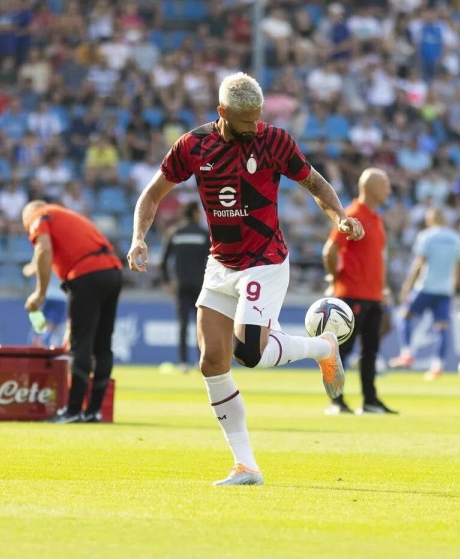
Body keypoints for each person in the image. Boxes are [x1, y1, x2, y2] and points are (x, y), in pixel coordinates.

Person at [126, 72, 364, 486]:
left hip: (264, 259)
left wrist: (340, 217)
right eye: (246, 120)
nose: (254, 126)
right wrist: (139, 238)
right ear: (222, 113)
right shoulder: (192, 145)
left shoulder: (274, 140)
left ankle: (322, 348)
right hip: (221, 264)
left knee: (248, 353)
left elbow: (315, 182)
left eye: (258, 118)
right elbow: (152, 194)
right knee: (211, 360)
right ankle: (245, 465)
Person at [22, 200, 123, 424]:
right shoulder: (65, 216)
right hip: (112, 272)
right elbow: (49, 252)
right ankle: (94, 411)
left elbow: (43, 248)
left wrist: (39, 293)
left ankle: (73, 410)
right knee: (102, 345)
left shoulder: (39, 215)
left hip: (86, 276)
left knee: (80, 345)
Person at [323, 168, 395, 414]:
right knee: (342, 351)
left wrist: (383, 289)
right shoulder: (352, 215)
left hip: (373, 295)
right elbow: (330, 250)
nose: (389, 189)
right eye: (385, 184)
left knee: (370, 351)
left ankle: (370, 401)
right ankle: (336, 401)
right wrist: (335, 280)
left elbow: (378, 258)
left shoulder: (376, 218)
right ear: (372, 187)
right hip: (350, 294)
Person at [389, 207, 460, 381]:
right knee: (442, 328)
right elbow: (459, 265)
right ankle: (438, 366)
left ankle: (406, 353)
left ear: (430, 219)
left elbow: (419, 263)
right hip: (445, 290)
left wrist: (407, 285)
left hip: (425, 287)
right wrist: (454, 285)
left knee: (405, 315)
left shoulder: (426, 236)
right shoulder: (456, 238)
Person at [160, 201, 210, 372]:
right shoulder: (204, 234)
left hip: (180, 285)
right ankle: (201, 360)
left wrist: (167, 281)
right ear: (195, 213)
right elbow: (212, 261)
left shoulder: (174, 233)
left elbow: (164, 261)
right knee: (201, 325)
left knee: (182, 324)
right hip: (200, 285)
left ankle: (183, 363)